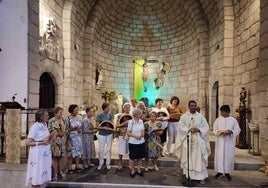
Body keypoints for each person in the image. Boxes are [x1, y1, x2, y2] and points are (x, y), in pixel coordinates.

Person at [174, 100, 211, 185]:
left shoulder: (201, 116)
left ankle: (201, 177)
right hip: (188, 139)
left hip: (198, 140)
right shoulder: (184, 116)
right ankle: (189, 176)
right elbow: (180, 127)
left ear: (196, 106)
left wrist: (198, 129)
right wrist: (189, 129)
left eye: (194, 105)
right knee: (189, 158)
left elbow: (206, 126)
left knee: (199, 159)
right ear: (189, 106)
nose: (193, 107)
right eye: (191, 105)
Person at [213, 105, 241, 181]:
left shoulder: (233, 120)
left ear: (228, 112)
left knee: (228, 157)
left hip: (229, 142)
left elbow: (238, 130)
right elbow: (214, 129)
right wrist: (219, 132)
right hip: (220, 141)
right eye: (221, 111)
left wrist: (231, 131)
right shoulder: (218, 120)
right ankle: (220, 172)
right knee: (220, 156)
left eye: (223, 112)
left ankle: (227, 172)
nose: (221, 113)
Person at [25, 109, 52, 188]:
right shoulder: (35, 127)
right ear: (41, 117)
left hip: (44, 154)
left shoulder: (45, 125)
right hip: (37, 154)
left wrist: (50, 139)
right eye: (46, 115)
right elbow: (27, 142)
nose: (48, 117)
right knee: (36, 175)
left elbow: (44, 137)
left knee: (41, 177)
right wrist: (41, 143)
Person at [48, 107, 68, 181]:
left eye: (62, 112)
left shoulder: (64, 120)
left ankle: (60, 171)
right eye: (60, 112)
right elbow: (49, 131)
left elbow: (67, 128)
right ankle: (55, 173)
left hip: (62, 141)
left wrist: (64, 132)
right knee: (55, 157)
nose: (61, 114)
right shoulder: (51, 121)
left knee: (61, 157)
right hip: (55, 141)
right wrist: (58, 134)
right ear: (55, 113)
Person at [127, 108, 146, 178]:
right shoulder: (130, 122)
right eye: (139, 114)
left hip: (141, 142)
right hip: (133, 142)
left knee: (140, 157)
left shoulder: (141, 121)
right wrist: (135, 136)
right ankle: (132, 170)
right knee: (132, 157)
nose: (141, 115)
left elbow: (143, 130)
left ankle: (138, 170)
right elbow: (128, 132)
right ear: (135, 115)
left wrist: (142, 135)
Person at [96, 102, 114, 170]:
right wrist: (104, 128)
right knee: (101, 149)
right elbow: (97, 126)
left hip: (109, 133)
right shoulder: (99, 115)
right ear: (104, 108)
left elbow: (112, 123)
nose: (109, 108)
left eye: (109, 107)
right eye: (107, 107)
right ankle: (101, 163)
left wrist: (111, 128)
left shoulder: (110, 114)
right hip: (102, 134)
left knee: (109, 149)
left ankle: (108, 163)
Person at [66, 104, 83, 173]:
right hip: (71, 137)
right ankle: (70, 167)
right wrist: (73, 129)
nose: (77, 111)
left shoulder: (79, 117)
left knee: (78, 152)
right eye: (75, 110)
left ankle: (77, 165)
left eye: (77, 110)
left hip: (78, 137)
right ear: (71, 110)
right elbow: (66, 129)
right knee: (70, 152)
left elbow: (81, 126)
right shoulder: (68, 119)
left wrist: (80, 130)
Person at [115, 102, 131, 170]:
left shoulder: (132, 115)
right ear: (123, 108)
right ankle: (120, 163)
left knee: (131, 149)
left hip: (130, 134)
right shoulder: (120, 115)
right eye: (126, 107)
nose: (127, 108)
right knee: (121, 149)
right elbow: (117, 125)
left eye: (128, 107)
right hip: (122, 133)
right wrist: (122, 129)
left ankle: (131, 164)